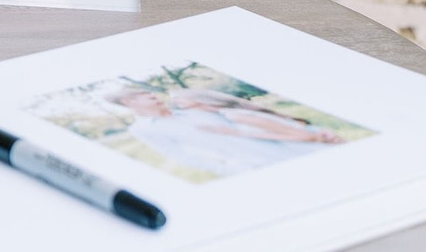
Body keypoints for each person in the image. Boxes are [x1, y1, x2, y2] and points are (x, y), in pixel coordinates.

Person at [111, 83, 348, 179]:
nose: (152, 95)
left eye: (149, 92)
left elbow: (257, 119)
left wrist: (312, 134)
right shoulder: (143, 129)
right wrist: (231, 169)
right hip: (252, 163)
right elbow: (181, 156)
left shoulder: (192, 109)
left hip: (288, 144)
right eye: (144, 95)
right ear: (129, 103)